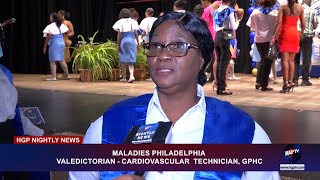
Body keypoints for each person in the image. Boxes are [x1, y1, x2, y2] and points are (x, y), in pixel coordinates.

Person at [69, 11, 280, 180]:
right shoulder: (107, 126)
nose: (162, 55)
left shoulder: (246, 133)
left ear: (203, 61)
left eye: (178, 46)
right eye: (156, 46)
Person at [272, 0, 305, 93]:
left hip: (285, 33)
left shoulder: (283, 7)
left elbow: (278, 22)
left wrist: (273, 36)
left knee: (284, 61)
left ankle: (285, 83)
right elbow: (303, 24)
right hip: (295, 34)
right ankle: (291, 81)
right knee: (291, 61)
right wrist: (301, 34)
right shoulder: (300, 8)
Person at [248, 0, 278, 91]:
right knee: (267, 62)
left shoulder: (255, 12)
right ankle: (264, 85)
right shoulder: (275, 13)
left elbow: (252, 26)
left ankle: (258, 82)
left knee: (262, 60)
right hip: (269, 39)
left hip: (258, 39)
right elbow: (277, 26)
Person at [213, 0, 239, 95]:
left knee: (220, 62)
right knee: (224, 63)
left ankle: (219, 86)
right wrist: (238, 21)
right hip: (227, 35)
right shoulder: (229, 10)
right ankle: (223, 87)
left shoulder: (216, 11)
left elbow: (214, 27)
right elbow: (234, 26)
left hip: (218, 36)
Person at [294, 0, 318, 86]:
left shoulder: (295, 10)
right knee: (306, 58)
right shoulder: (313, 11)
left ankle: (294, 79)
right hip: (307, 36)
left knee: (295, 58)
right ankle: (305, 80)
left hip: (296, 35)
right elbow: (315, 24)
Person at [113, 8, 140, 83]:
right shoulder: (133, 22)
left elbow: (119, 35)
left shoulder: (120, 22)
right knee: (131, 59)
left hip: (124, 40)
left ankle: (124, 77)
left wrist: (118, 45)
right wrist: (138, 43)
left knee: (123, 58)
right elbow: (136, 34)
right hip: (132, 40)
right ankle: (131, 75)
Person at [43, 13, 70, 81]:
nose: (50, 18)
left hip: (54, 43)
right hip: (61, 42)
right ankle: (67, 75)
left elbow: (48, 37)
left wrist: (45, 47)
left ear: (53, 19)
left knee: (52, 61)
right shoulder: (61, 25)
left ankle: (53, 77)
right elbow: (68, 32)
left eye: (50, 17)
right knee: (61, 60)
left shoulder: (50, 26)